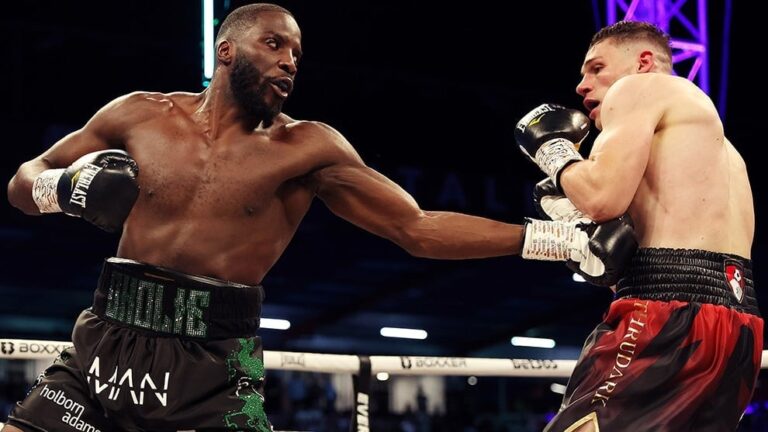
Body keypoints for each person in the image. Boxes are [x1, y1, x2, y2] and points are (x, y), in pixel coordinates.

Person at [4, 4, 636, 431]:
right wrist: (65, 187)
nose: (289, 61)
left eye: (297, 54)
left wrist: (557, 241)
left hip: (213, 361)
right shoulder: (138, 114)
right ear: (226, 49)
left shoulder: (307, 148)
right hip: (104, 339)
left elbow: (414, 228)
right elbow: (22, 180)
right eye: (274, 44)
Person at [516, 20, 763, 432]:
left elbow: (600, 199)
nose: (581, 85)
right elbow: (617, 256)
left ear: (644, 62)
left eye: (596, 68)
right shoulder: (718, 151)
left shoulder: (639, 88)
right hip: (740, 326)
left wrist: (554, 152)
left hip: (665, 316)